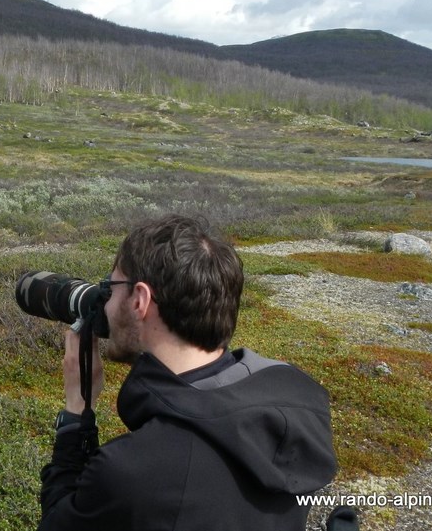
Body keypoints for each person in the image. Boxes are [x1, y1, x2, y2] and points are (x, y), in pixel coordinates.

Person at [38, 214, 341, 531]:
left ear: (140, 300)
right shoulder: (298, 400)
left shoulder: (134, 470)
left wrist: (75, 414)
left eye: (110, 288)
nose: (106, 306)